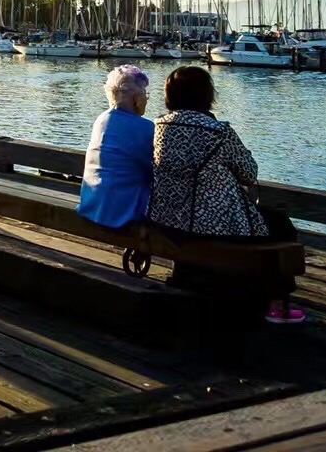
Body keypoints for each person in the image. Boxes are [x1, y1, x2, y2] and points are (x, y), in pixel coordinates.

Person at [147, 66, 305, 325]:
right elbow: (249, 173)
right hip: (211, 225)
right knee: (279, 225)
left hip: (168, 221)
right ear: (206, 95)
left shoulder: (159, 128)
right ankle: (278, 304)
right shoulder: (218, 132)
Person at [77, 66, 155, 229]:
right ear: (136, 98)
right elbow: (153, 168)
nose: (147, 99)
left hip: (92, 201)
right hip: (120, 209)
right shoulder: (145, 127)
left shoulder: (101, 119)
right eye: (145, 94)